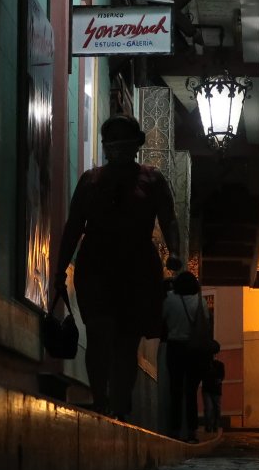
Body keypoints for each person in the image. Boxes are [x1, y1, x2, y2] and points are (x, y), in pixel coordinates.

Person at [55, 115, 182, 420]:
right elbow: (73, 226)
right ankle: (100, 401)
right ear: (105, 146)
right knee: (99, 333)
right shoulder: (90, 180)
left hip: (137, 269)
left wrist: (175, 252)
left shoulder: (152, 180)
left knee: (127, 340)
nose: (117, 148)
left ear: (136, 145)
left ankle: (121, 406)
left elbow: (169, 219)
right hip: (96, 265)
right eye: (112, 142)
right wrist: (59, 269)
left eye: (124, 141)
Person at [161, 271, 213, 441]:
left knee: (175, 389)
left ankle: (174, 429)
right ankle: (192, 430)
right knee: (191, 391)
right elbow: (205, 324)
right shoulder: (201, 301)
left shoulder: (169, 299)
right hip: (195, 351)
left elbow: (163, 319)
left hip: (175, 347)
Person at [203, 356, 226, 433]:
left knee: (216, 408)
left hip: (215, 390)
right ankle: (209, 426)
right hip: (208, 389)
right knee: (209, 408)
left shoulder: (219, 364)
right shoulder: (206, 365)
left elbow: (221, 376)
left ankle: (215, 426)